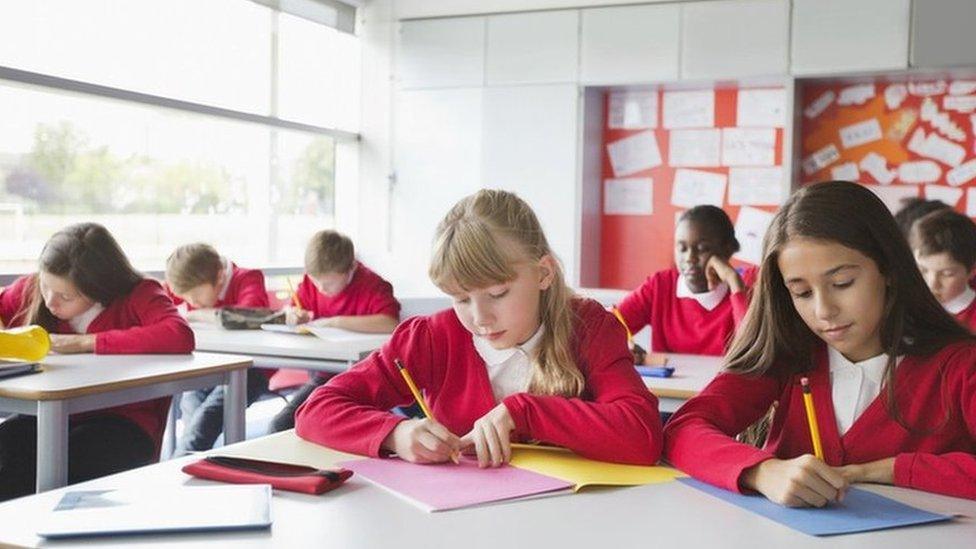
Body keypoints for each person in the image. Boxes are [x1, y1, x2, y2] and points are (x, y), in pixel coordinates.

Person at [294, 190, 662, 467]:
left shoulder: (589, 327)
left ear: (543, 274)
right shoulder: (432, 337)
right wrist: (395, 433)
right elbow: (317, 408)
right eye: (460, 298)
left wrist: (524, 412)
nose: (479, 318)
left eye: (497, 294)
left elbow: (643, 437)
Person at [664, 181, 976, 505]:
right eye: (802, 292)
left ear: (889, 270)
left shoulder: (959, 365)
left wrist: (889, 470)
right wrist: (762, 471)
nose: (824, 311)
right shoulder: (788, 354)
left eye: (842, 283)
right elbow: (683, 431)